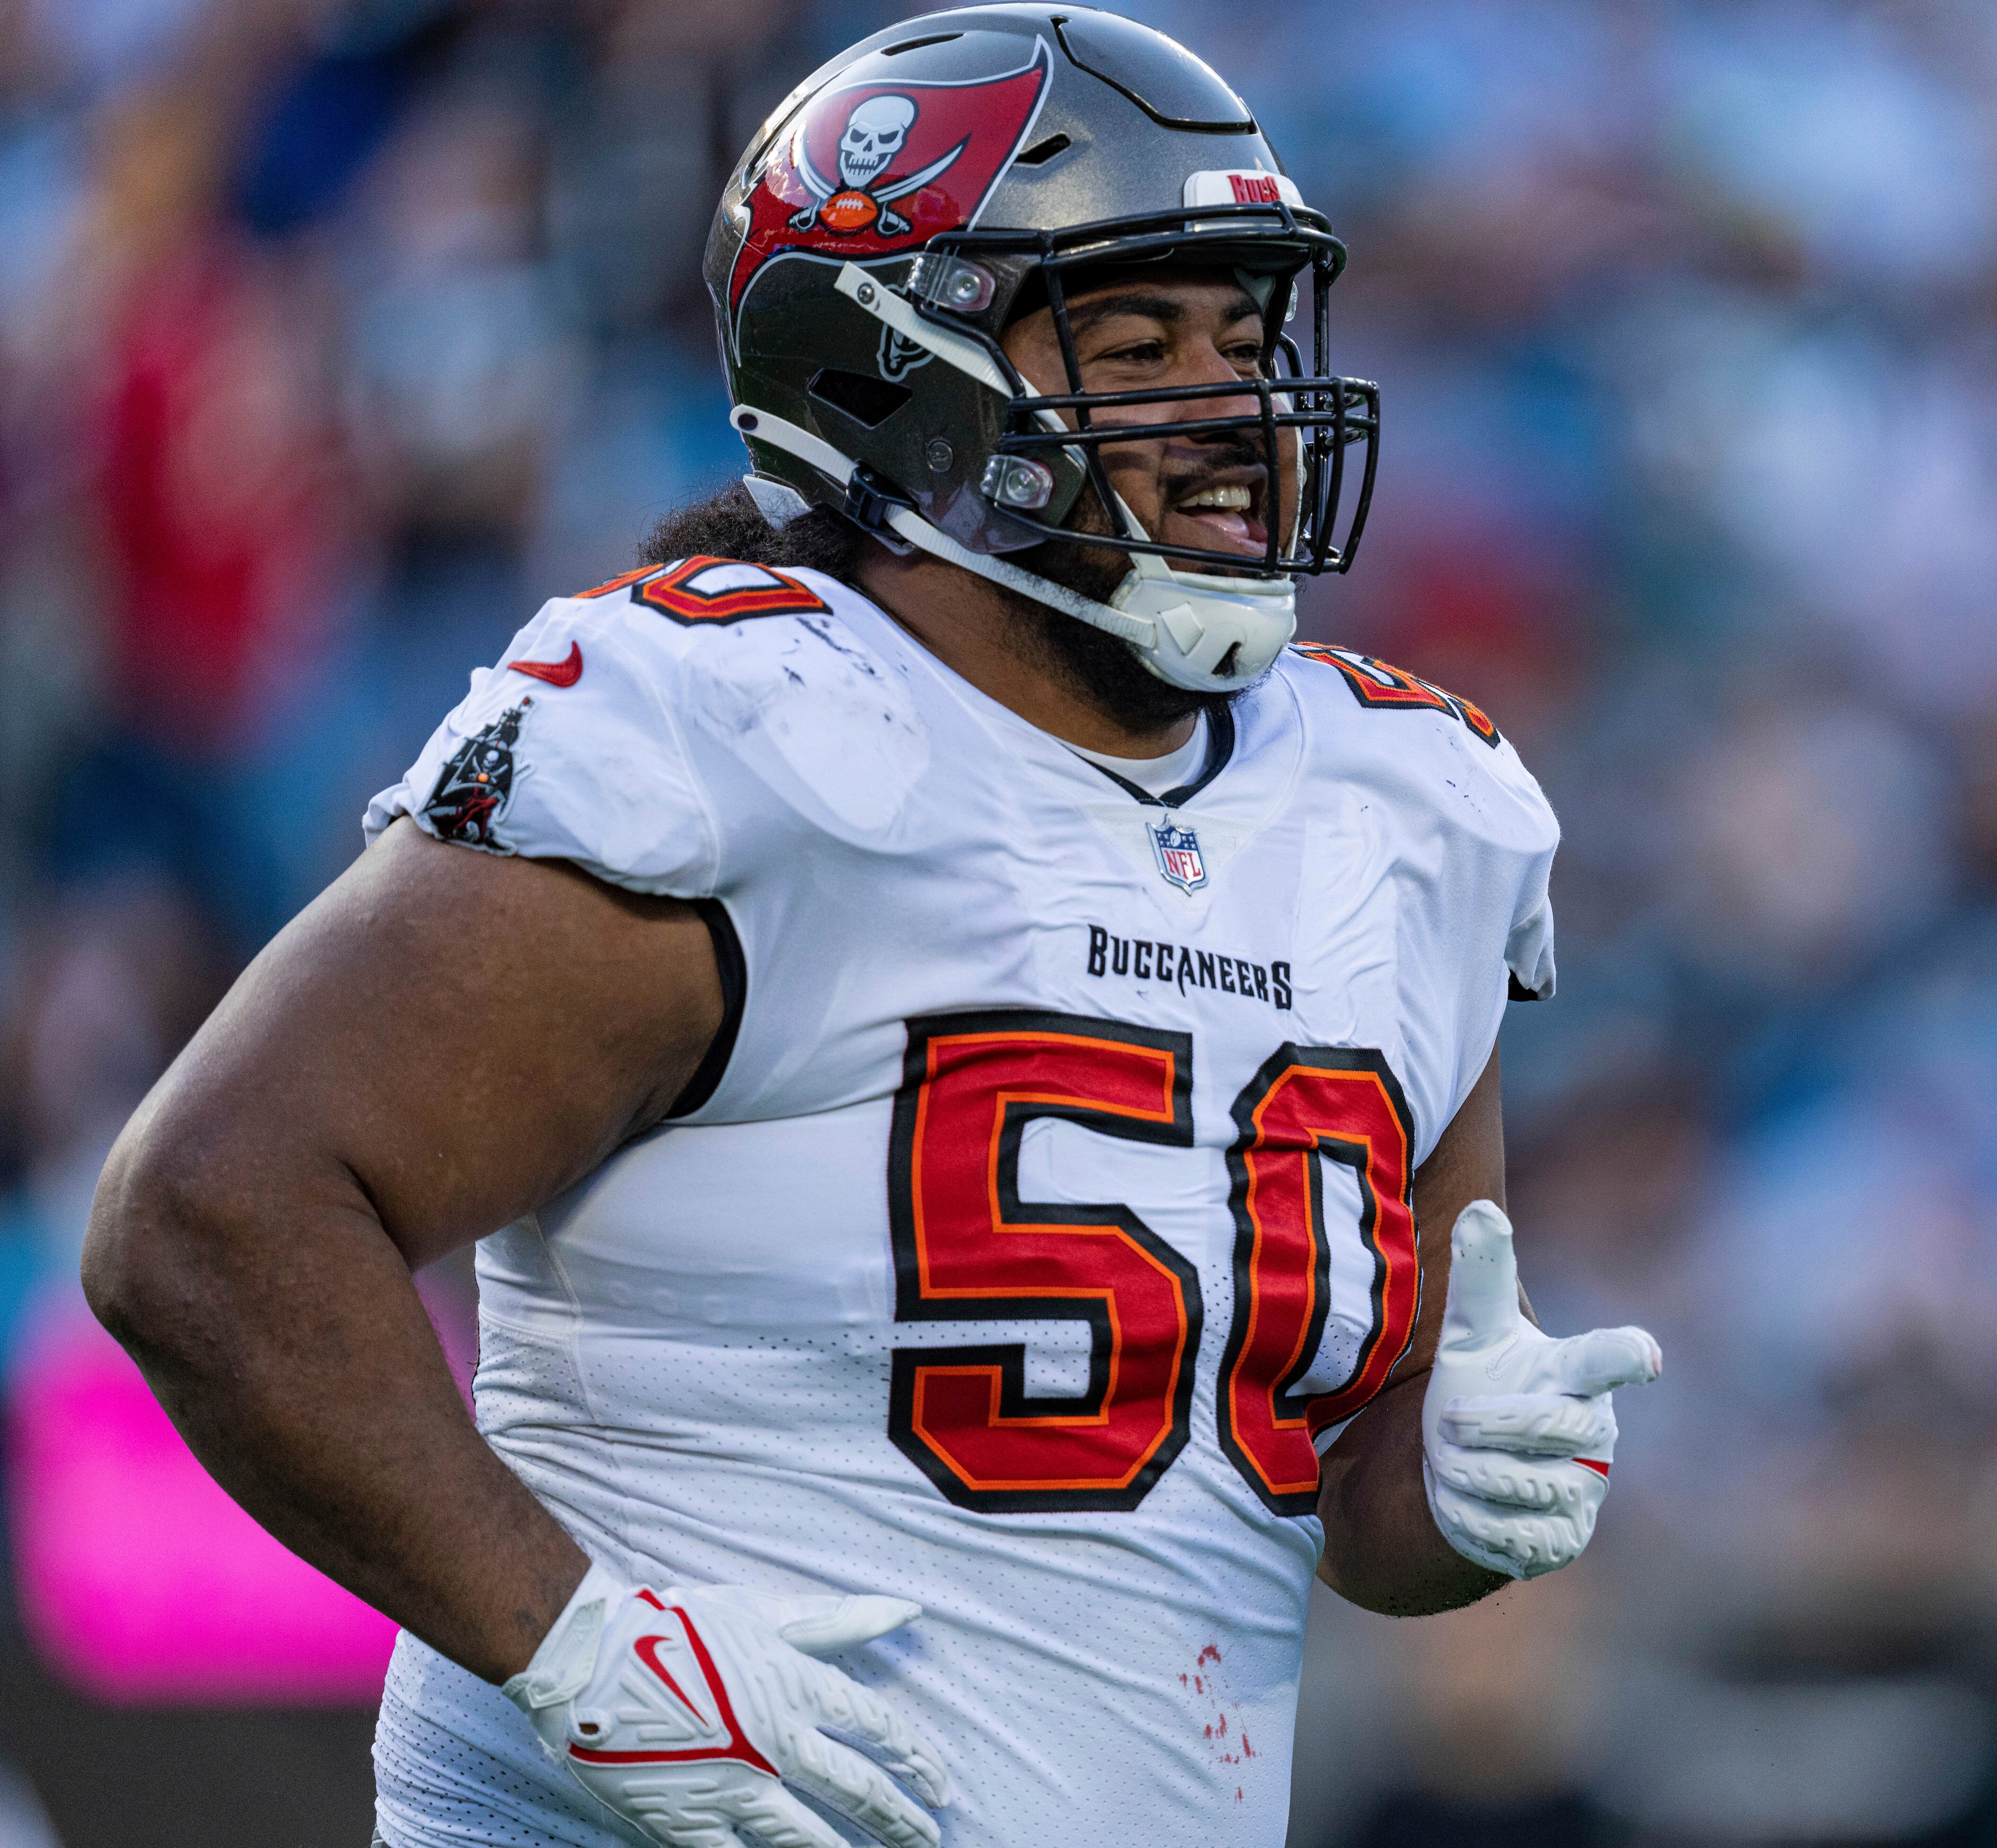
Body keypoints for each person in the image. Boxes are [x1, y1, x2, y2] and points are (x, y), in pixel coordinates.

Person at [78, 11, 1661, 1846]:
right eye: (1138, 347)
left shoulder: (1409, 809)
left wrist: (1454, 1484)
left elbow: (1346, 1485)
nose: (1232, 409)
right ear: (895, 389)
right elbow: (209, 1218)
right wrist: (568, 1643)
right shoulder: (737, 734)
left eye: (1245, 340)